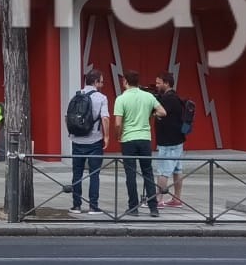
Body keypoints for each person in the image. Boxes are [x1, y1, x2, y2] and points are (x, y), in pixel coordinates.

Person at [112, 70, 165, 217]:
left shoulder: (121, 99)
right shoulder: (148, 96)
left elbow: (117, 123)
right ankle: (153, 208)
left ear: (125, 82)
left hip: (128, 139)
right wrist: (151, 114)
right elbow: (163, 112)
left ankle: (133, 207)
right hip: (145, 139)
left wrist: (119, 136)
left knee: (131, 174)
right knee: (147, 172)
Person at [64, 70, 109, 214]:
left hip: (77, 140)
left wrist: (72, 133)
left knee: (77, 173)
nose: (102, 84)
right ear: (95, 82)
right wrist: (106, 136)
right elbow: (105, 118)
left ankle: (76, 206)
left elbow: (68, 116)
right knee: (94, 174)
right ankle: (93, 206)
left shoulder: (76, 95)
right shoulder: (101, 98)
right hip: (94, 140)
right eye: (101, 81)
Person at [152, 73, 188, 209]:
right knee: (177, 169)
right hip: (177, 139)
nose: (156, 86)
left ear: (166, 83)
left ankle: (158, 199)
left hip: (168, 141)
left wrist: (155, 113)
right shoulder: (175, 97)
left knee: (162, 171)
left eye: (158, 83)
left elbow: (161, 113)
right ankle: (177, 198)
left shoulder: (168, 99)